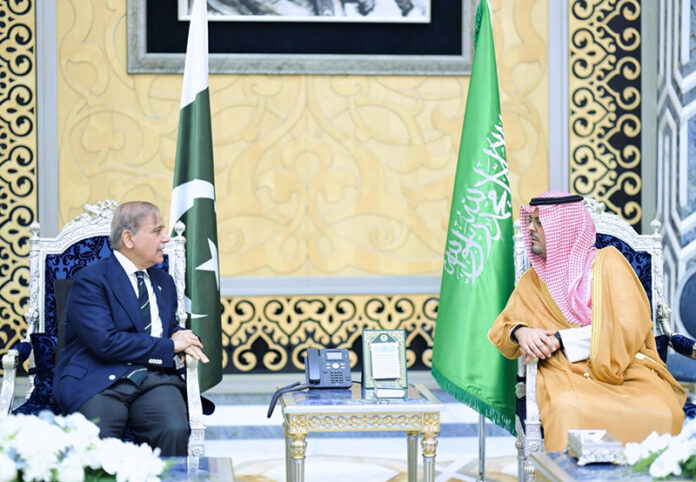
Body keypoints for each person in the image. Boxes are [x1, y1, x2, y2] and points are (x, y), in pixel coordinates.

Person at [488, 191, 686, 451]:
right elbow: (504, 327)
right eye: (529, 221)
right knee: (568, 409)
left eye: (540, 222)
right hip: (565, 373)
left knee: (663, 411)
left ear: (564, 228)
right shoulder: (534, 281)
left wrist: (561, 339)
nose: (530, 229)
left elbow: (630, 327)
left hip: (624, 368)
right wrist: (522, 333)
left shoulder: (609, 263)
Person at [53, 201, 209, 456]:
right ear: (129, 238)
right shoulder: (91, 280)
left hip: (154, 378)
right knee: (97, 436)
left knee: (174, 428)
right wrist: (170, 345)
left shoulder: (163, 281)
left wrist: (183, 336)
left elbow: (165, 328)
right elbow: (105, 342)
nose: (166, 239)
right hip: (99, 378)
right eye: (157, 231)